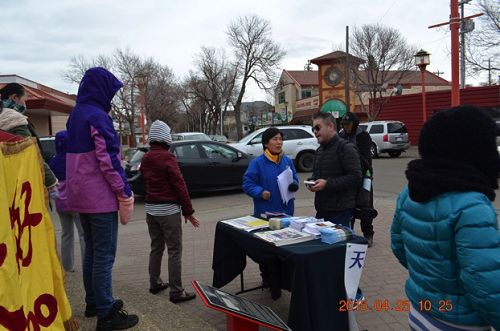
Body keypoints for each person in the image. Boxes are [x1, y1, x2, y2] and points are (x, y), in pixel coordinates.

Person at [391, 105, 500, 331]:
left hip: (420, 312)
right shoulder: (472, 205)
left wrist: (432, 282)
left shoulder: (408, 192)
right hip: (460, 323)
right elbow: (486, 286)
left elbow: (399, 246)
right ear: (475, 150)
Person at [66, 67, 138, 330]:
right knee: (104, 256)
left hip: (79, 197)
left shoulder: (75, 115)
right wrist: (124, 191)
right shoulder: (98, 117)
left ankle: (94, 302)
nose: (113, 97)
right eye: (112, 91)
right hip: (99, 199)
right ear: (102, 89)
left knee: (92, 254)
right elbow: (108, 161)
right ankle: (106, 314)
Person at [140, 120, 200, 303]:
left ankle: (155, 282)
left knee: (156, 247)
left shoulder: (146, 157)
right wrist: (188, 211)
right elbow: (179, 185)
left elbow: (144, 179)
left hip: (151, 211)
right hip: (168, 211)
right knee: (174, 251)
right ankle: (176, 291)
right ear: (166, 137)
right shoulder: (167, 157)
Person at [0, 83, 58, 193]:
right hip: (20, 182)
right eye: (24, 99)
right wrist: (51, 181)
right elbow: (30, 152)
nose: (25, 104)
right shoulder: (14, 120)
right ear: (14, 98)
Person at [307, 112, 362, 226]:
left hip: (341, 212)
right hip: (322, 209)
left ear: (330, 126)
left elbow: (355, 178)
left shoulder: (346, 148)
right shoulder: (319, 151)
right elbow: (317, 175)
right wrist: (311, 181)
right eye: (313, 129)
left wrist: (327, 184)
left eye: (318, 127)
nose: (315, 132)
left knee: (339, 244)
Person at [49, 130, 85, 272]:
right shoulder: (75, 159)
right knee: (83, 235)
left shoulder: (53, 161)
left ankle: (67, 266)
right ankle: (86, 265)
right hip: (76, 202)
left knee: (66, 234)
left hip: (60, 203)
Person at [243, 127, 299, 217]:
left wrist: (294, 184)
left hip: (287, 211)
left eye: (280, 139)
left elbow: (294, 177)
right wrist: (261, 193)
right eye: (275, 139)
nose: (279, 142)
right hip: (266, 211)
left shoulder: (287, 161)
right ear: (266, 143)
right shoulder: (257, 163)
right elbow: (248, 184)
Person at [339, 112, 376, 246]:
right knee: (349, 207)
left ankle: (368, 234)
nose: (346, 127)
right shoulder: (341, 136)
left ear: (354, 124)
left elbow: (366, 159)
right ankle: (350, 232)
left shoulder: (363, 136)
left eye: (348, 124)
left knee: (365, 206)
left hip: (364, 176)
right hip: (347, 177)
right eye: (344, 124)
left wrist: (351, 152)